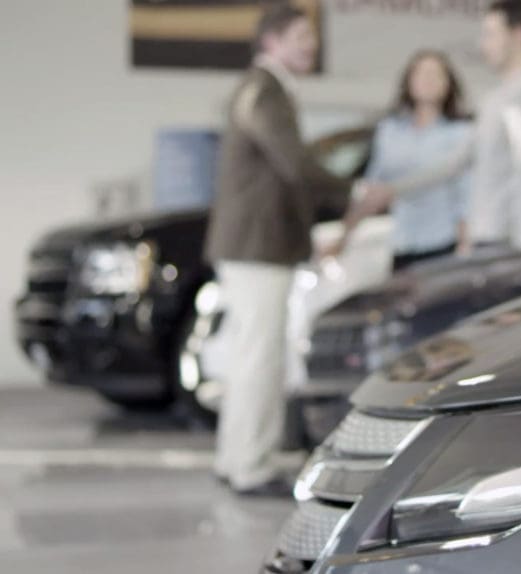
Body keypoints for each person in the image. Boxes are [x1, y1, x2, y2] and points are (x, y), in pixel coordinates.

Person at [204, 4, 350, 497]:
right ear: (271, 42)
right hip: (257, 246)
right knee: (258, 356)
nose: (310, 45)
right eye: (299, 37)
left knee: (253, 353)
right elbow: (296, 166)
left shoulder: (262, 89)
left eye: (312, 37)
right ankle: (250, 465)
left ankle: (239, 455)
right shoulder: (264, 92)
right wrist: (353, 191)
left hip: (254, 245)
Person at [344, 0, 521, 253]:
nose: (483, 45)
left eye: (491, 34)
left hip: (507, 242)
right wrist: (393, 190)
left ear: (520, 35)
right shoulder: (497, 98)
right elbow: (457, 162)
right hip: (488, 237)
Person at [357, 50, 474, 271]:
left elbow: (465, 196)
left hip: (442, 245)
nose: (428, 80)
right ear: (408, 81)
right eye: (421, 73)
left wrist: (466, 245)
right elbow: (371, 190)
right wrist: (344, 235)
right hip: (402, 244)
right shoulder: (390, 131)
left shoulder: (461, 134)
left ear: (448, 84)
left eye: (436, 74)